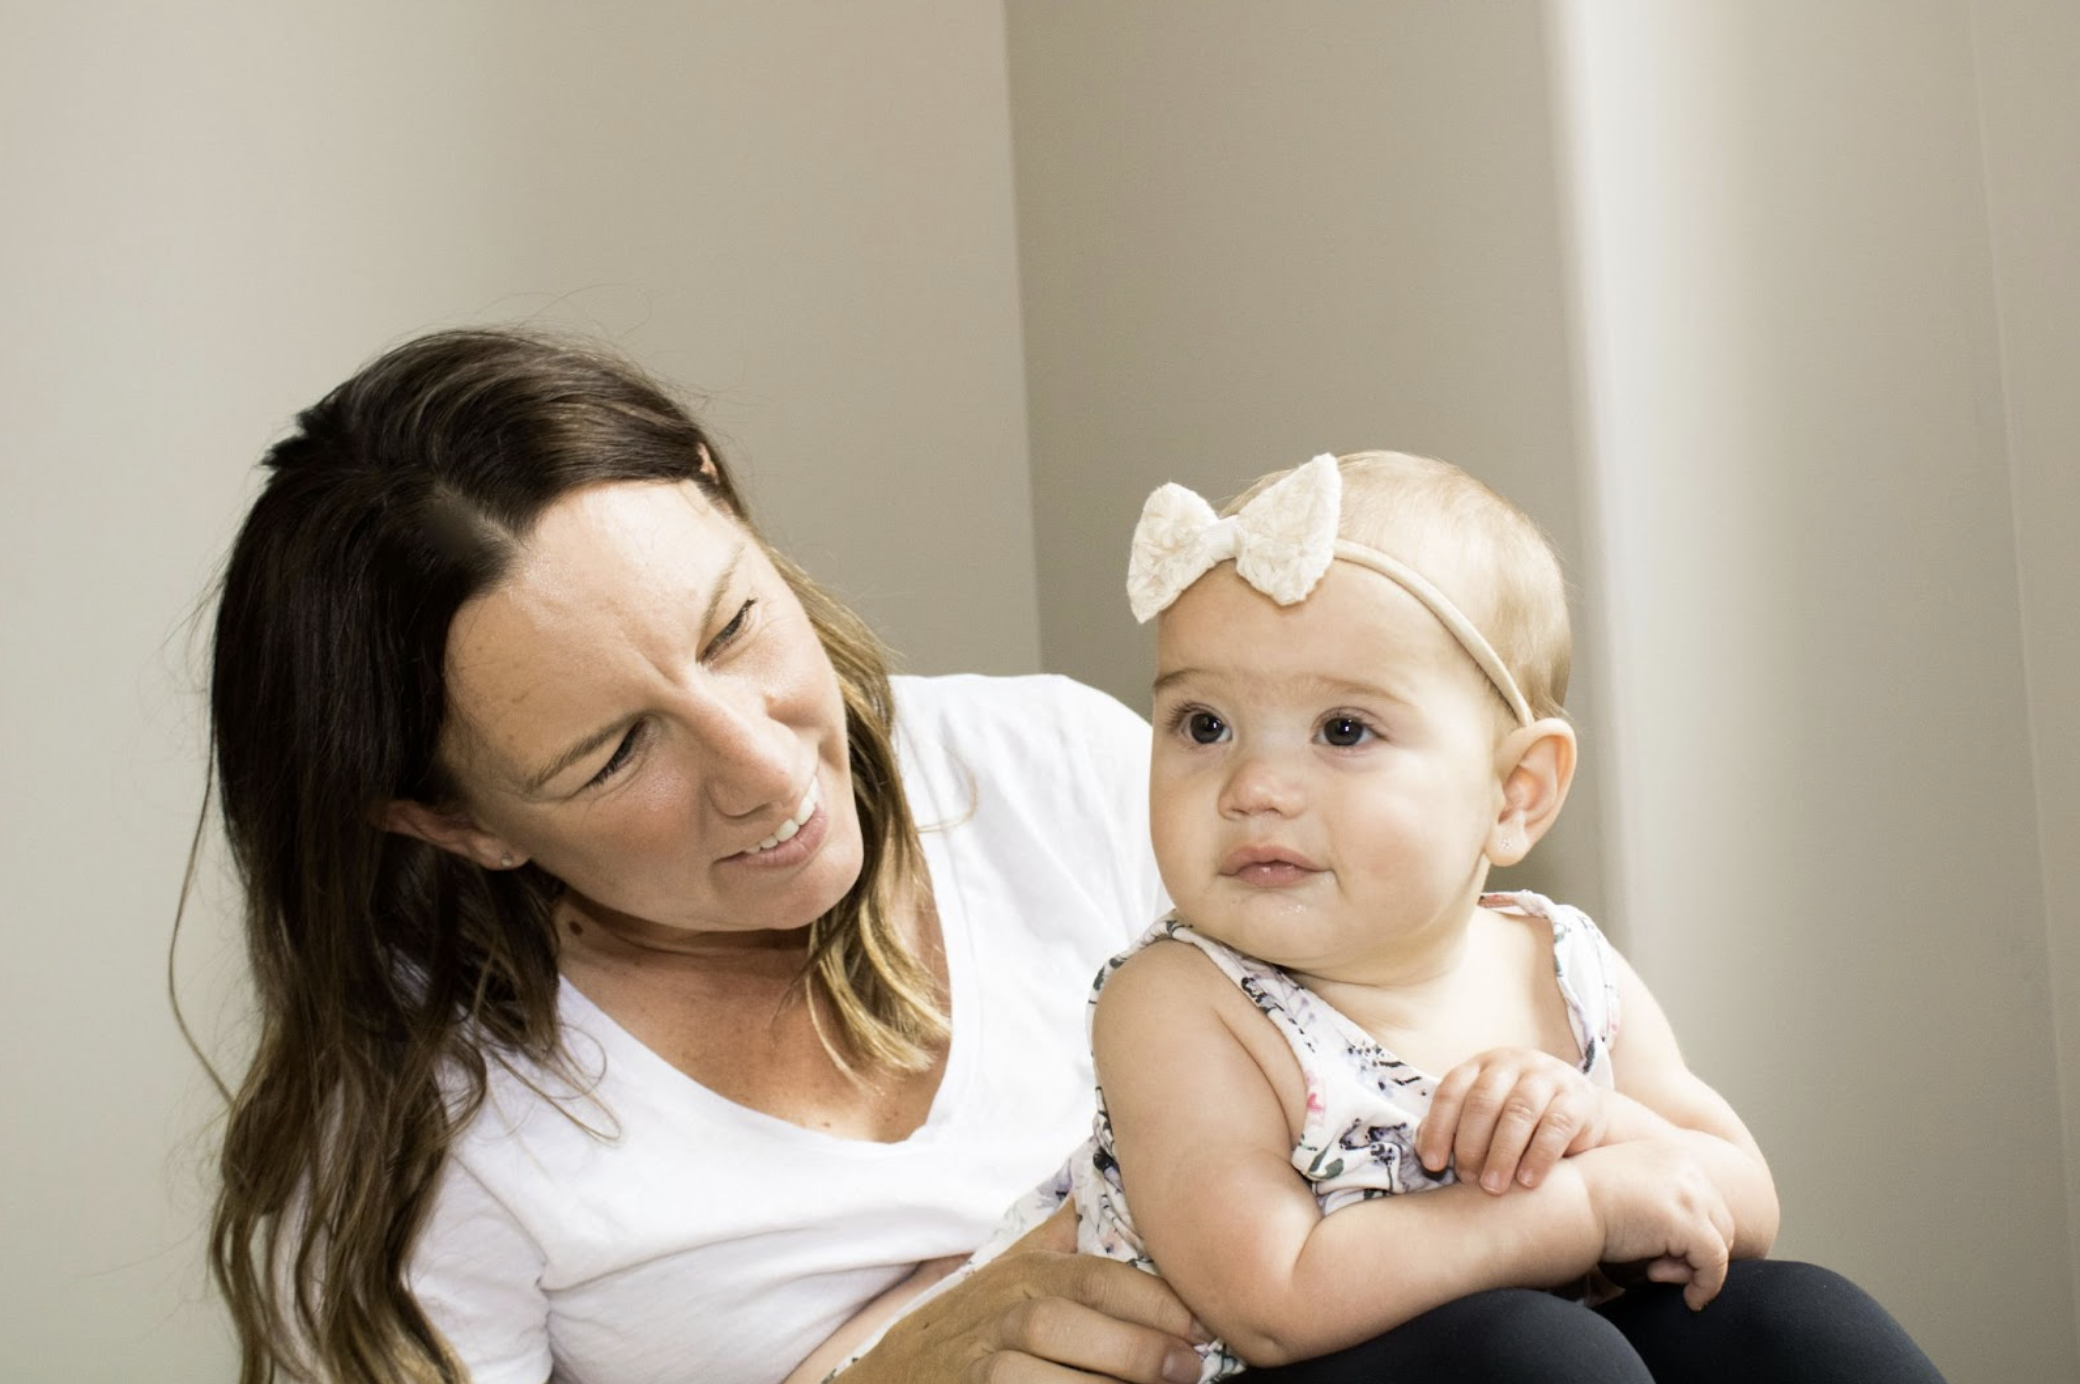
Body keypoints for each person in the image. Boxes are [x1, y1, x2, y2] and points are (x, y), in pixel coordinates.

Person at [195, 327, 1203, 1384]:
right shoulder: (428, 1144)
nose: (765, 769)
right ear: (455, 823)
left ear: (719, 493)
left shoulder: (1057, 770)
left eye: (731, 627)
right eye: (617, 753)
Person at [1033, 449, 1949, 1382]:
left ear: (1515, 793)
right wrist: (1580, 1210)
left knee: (1793, 1318)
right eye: (1203, 725)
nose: (1254, 787)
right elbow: (1276, 1298)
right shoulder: (1179, 1003)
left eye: (1344, 730)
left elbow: (1737, 1195)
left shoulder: (1562, 967)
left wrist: (1600, 1124)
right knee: (1536, 1353)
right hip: (1273, 1366)